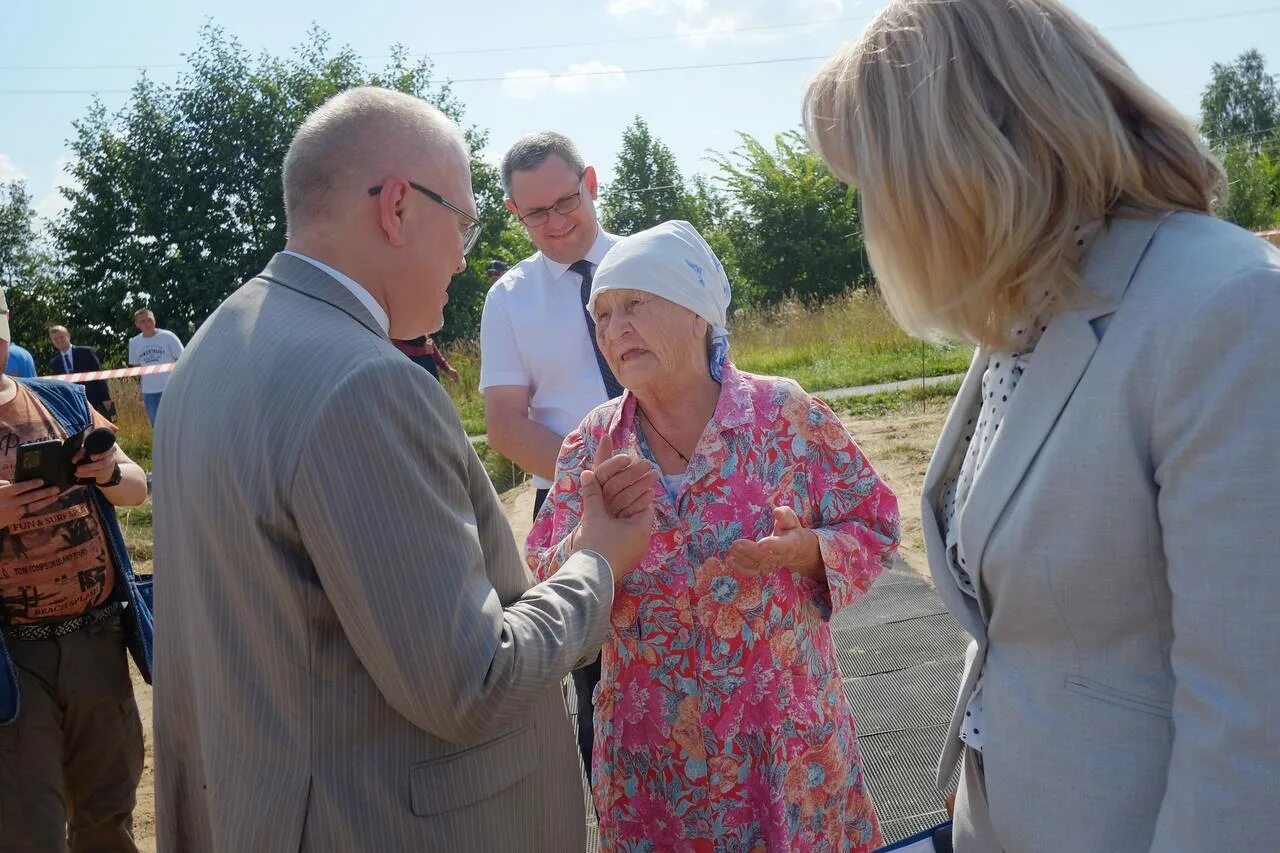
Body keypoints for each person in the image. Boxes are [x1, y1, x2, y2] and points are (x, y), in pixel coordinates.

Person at [804, 1, 1280, 850]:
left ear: (960, 163)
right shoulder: (1041, 301)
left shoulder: (1227, 309)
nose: (875, 224)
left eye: (874, 188)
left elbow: (1254, 724)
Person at [151, 87, 656, 852]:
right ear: (397, 206)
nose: (462, 255)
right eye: (464, 221)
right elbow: (475, 680)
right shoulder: (365, 382)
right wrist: (599, 560)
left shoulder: (212, 349)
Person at [527, 220, 901, 851]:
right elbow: (544, 577)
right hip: (653, 764)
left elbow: (876, 521)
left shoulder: (785, 417)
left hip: (782, 748)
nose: (615, 330)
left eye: (636, 306)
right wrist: (586, 549)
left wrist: (810, 551)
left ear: (698, 315)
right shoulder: (592, 444)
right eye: (603, 316)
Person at [479, 130, 622, 782]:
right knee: (603, 687)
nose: (557, 221)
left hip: (693, 482)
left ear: (591, 182)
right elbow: (506, 424)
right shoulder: (509, 299)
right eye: (536, 212)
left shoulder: (659, 260)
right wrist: (603, 479)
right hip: (573, 509)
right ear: (514, 213)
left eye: (567, 200)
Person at [0, 286, 153, 851]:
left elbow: (137, 487)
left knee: (107, 812)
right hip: (11, 659)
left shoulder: (58, 400)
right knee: (28, 827)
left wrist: (109, 472)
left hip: (96, 637)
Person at [126, 309, 183, 426]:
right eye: (142, 321)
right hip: (149, 392)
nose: (147, 324)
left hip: (170, 389)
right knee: (156, 426)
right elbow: (136, 367)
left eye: (149, 320)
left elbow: (182, 359)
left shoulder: (168, 337)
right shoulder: (134, 342)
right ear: (137, 324)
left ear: (155, 320)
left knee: (175, 423)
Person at [48, 325, 115, 418]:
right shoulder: (55, 363)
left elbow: (99, 375)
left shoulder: (86, 352)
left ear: (68, 336)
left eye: (61, 337)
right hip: (72, 404)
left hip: (93, 400)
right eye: (55, 339)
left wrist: (106, 398)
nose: (59, 340)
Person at [391, 333, 460, 381]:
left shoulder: (423, 333)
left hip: (430, 374)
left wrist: (448, 369)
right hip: (410, 376)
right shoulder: (395, 340)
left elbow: (436, 354)